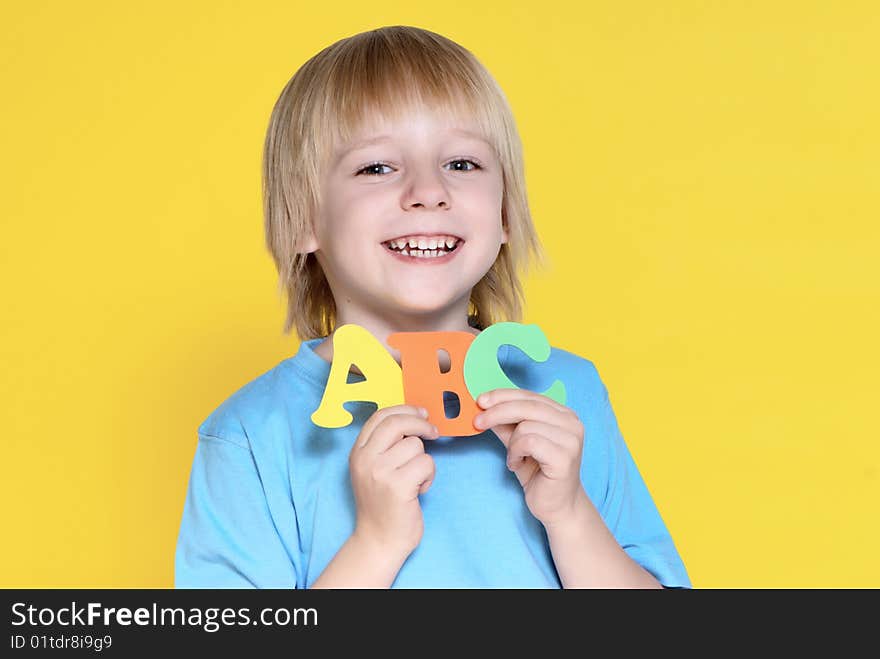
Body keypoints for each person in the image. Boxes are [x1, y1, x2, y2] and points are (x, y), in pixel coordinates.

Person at [174, 25, 691, 589]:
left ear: (504, 217)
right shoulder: (249, 437)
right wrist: (377, 542)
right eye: (377, 167)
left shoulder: (569, 394)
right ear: (303, 218)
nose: (428, 190)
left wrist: (569, 515)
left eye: (463, 164)